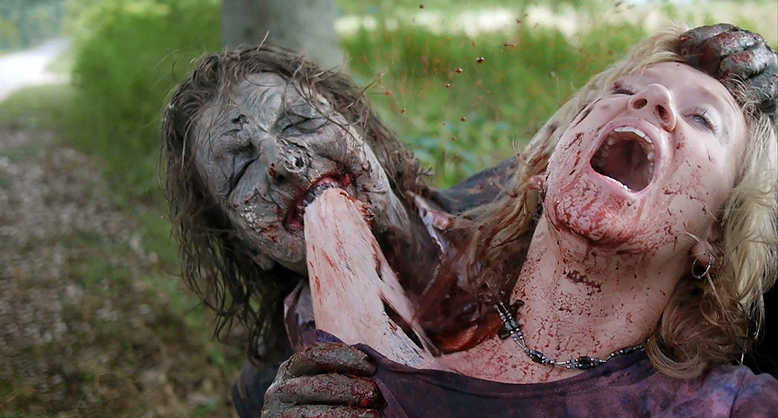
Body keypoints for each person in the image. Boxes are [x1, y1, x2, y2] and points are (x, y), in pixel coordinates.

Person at [259, 23, 778, 418]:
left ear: (717, 234)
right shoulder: (379, 366)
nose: (653, 99)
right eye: (623, 92)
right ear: (544, 167)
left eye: (702, 118)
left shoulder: (730, 406)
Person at [160, 44, 519, 415]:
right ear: (248, 247)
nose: (284, 162)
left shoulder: (522, 212)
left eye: (299, 122)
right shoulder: (272, 389)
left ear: (363, 131)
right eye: (240, 169)